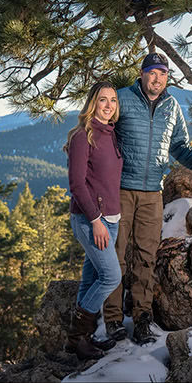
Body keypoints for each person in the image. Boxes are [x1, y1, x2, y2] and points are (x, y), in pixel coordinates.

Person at [104, 52, 192, 345]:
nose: (157, 78)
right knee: (116, 256)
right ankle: (112, 320)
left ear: (166, 77)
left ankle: (143, 317)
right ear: (142, 73)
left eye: (162, 74)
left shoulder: (172, 107)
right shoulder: (122, 98)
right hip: (120, 190)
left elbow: (180, 146)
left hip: (152, 194)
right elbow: (101, 131)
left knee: (147, 257)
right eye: (152, 73)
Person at [64, 81, 124, 360]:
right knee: (111, 276)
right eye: (103, 100)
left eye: (113, 100)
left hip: (110, 219)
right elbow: (76, 184)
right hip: (91, 221)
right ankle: (77, 338)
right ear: (92, 103)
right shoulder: (82, 135)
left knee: (91, 279)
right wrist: (96, 219)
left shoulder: (111, 133)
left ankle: (81, 340)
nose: (109, 105)